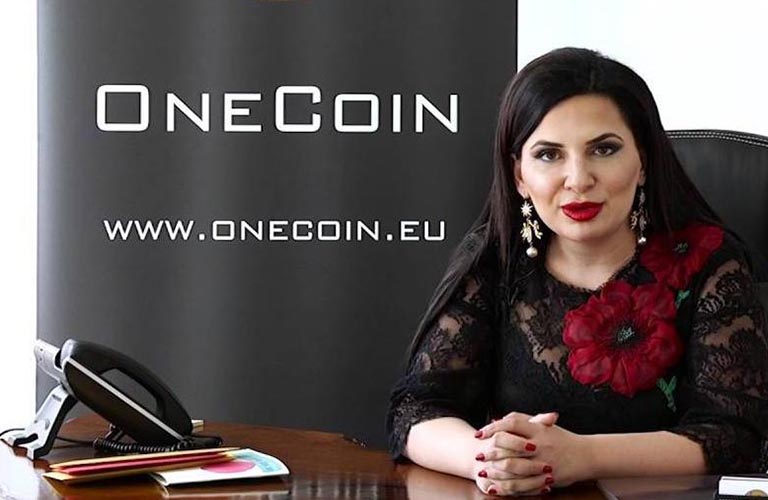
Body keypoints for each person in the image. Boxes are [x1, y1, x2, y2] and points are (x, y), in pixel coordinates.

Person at [385, 47, 768, 497]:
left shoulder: (709, 260)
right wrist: (489, 460)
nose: (578, 179)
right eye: (549, 155)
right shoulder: (496, 257)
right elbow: (417, 409)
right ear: (519, 176)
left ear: (643, 161)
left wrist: (582, 456)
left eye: (603, 149)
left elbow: (733, 438)